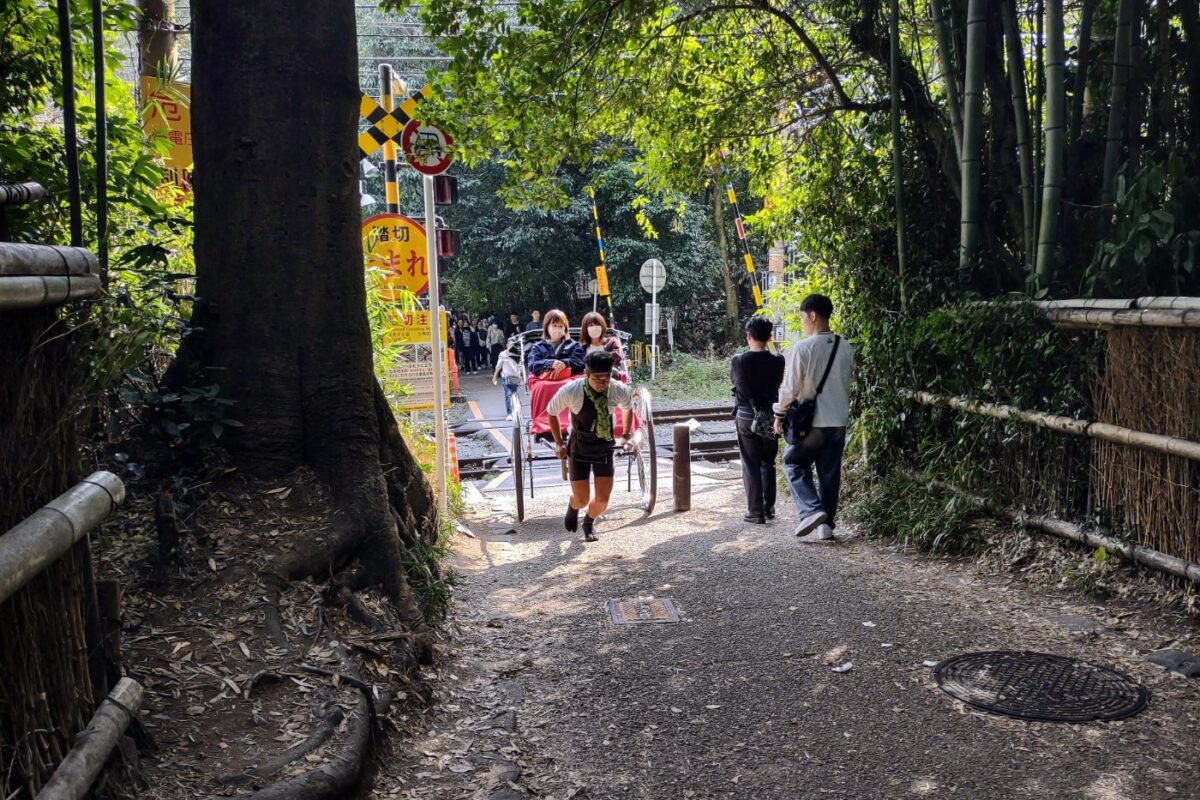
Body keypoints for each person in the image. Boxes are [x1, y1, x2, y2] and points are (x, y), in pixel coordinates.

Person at [772, 294, 854, 541]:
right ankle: (826, 526)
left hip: (812, 422)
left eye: (803, 317)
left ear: (813, 315)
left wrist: (779, 413)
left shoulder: (804, 347)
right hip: (838, 420)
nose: (803, 322)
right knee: (829, 473)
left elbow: (791, 389)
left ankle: (810, 510)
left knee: (793, 462)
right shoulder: (845, 346)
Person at [547, 351, 634, 542]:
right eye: (597, 378)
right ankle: (573, 505)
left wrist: (627, 435)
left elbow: (628, 408)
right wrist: (559, 444)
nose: (602, 382)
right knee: (582, 499)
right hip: (579, 446)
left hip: (605, 446)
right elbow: (551, 412)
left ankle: (589, 521)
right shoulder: (572, 390)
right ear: (587, 374)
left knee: (602, 500)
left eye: (606, 378)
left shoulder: (618, 389)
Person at [731, 316, 786, 524]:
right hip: (771, 417)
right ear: (770, 336)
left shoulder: (738, 361)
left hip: (747, 417)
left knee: (750, 463)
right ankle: (768, 507)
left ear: (749, 336)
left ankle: (755, 511)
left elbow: (735, 382)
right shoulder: (779, 361)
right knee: (768, 462)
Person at [525, 309, 584, 380]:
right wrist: (550, 363)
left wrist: (565, 363)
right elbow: (532, 365)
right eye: (554, 326)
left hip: (569, 382)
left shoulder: (574, 345)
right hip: (545, 383)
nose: (557, 329)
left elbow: (580, 363)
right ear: (547, 327)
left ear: (565, 328)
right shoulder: (538, 347)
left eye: (560, 326)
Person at [578, 311, 627, 379]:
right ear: (585, 329)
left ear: (602, 326)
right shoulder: (580, 348)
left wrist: (596, 361)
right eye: (591, 325)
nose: (594, 328)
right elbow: (578, 365)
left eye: (597, 325)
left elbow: (617, 356)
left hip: (610, 378)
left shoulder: (612, 342)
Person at [492, 344, 522, 419]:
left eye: (513, 344)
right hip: (506, 376)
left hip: (515, 377)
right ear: (507, 345)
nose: (512, 346)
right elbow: (498, 366)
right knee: (508, 394)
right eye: (510, 344)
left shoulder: (518, 353)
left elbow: (520, 365)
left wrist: (520, 375)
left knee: (515, 394)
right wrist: (494, 376)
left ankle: (517, 411)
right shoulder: (503, 354)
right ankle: (509, 413)